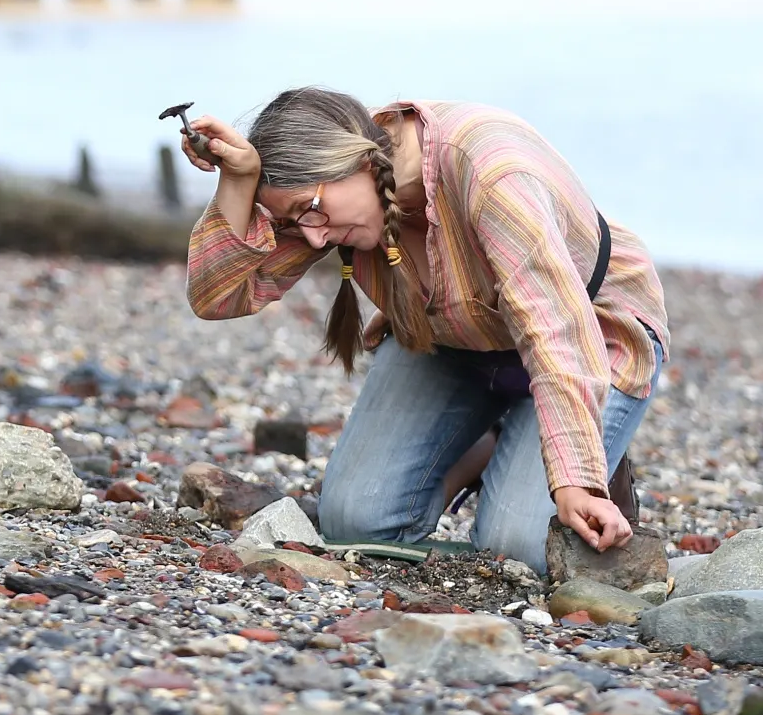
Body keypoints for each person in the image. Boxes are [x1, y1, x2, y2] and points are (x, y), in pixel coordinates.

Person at [180, 89, 669, 573]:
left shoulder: (494, 173)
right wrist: (238, 181)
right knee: (355, 522)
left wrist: (576, 480)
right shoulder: (326, 200)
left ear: (361, 162)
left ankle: (592, 449)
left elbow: (553, 333)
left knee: (517, 549)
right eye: (294, 220)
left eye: (310, 212)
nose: (312, 236)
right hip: (451, 342)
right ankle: (494, 441)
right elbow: (217, 296)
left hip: (586, 336)